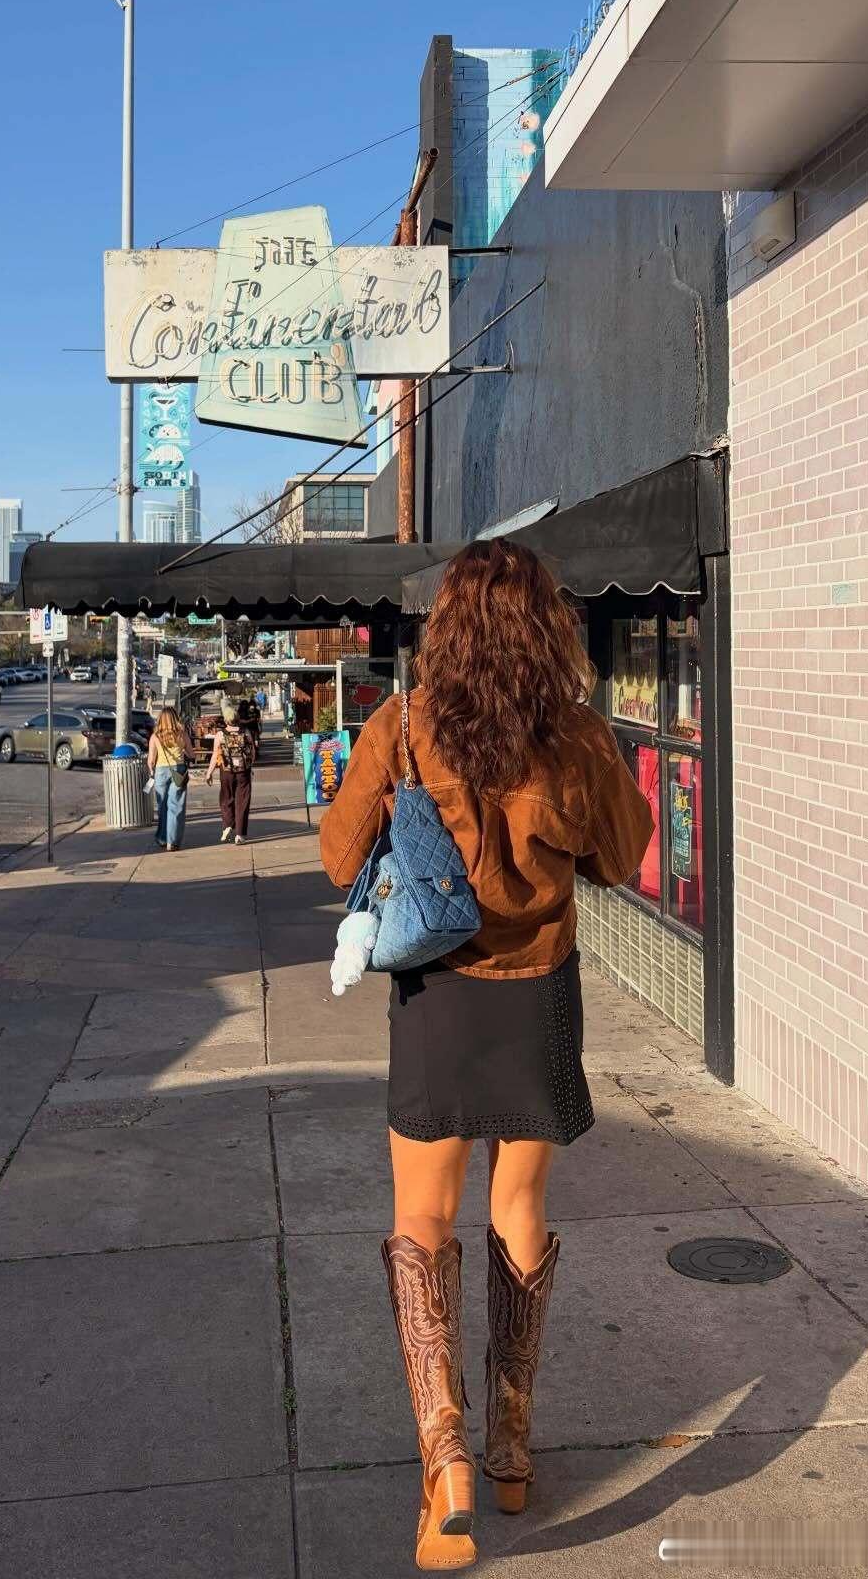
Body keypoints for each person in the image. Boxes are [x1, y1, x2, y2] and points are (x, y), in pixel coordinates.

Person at [318, 540, 652, 1569]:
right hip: (539, 992)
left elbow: (337, 857)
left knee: (422, 1218)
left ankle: (446, 1460)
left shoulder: (406, 723)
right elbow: (623, 855)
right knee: (519, 1208)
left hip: (437, 996)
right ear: (547, 627)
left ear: (449, 628)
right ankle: (510, 1447)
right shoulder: (579, 735)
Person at [146, 707, 197, 851]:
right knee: (175, 806)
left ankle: (162, 838)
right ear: (175, 718)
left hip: (160, 772)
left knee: (163, 806)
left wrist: (151, 771)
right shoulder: (182, 734)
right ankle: (172, 841)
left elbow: (151, 760)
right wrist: (183, 752)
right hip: (178, 771)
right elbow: (191, 754)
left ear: (160, 719)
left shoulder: (155, 736)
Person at [205, 698, 254, 844]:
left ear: (226, 719)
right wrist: (250, 765)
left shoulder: (220, 735)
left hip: (226, 771)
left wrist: (209, 772)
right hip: (243, 771)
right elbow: (252, 752)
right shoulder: (245, 732)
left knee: (226, 799)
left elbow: (215, 755)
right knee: (242, 801)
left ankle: (227, 825)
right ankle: (240, 834)